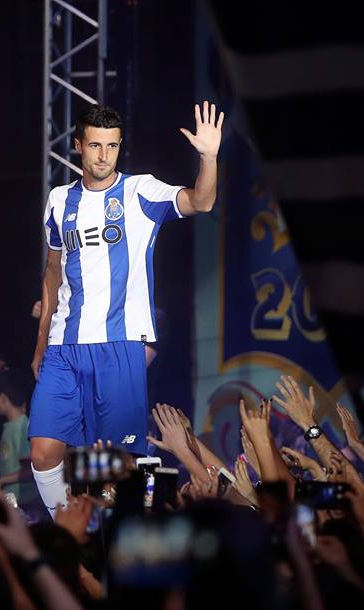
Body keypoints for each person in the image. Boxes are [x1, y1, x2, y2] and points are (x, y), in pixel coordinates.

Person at [29, 102, 224, 515]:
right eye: (95, 145)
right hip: (64, 347)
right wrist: (41, 340)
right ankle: (69, 531)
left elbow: (201, 202)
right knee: (43, 452)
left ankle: (130, 532)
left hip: (119, 345)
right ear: (78, 146)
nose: (104, 156)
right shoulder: (59, 200)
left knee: (119, 465)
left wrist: (208, 158)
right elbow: (52, 270)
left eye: (112, 146)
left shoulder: (141, 192)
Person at [0, 369, 38, 508]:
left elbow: (31, 470)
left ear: (3, 398)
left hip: (27, 502)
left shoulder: (22, 426)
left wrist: (2, 480)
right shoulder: (10, 427)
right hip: (16, 501)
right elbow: (11, 464)